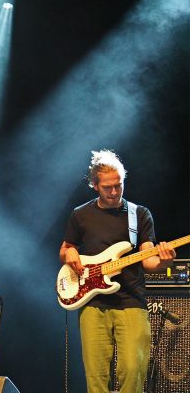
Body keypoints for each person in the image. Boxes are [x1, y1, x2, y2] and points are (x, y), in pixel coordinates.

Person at [59, 149, 176, 393]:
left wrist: (164, 261)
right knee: (96, 376)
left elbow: (149, 261)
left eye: (119, 186)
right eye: (107, 187)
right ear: (94, 185)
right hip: (92, 304)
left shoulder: (139, 215)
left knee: (134, 369)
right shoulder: (80, 215)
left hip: (131, 301)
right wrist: (69, 253)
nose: (114, 192)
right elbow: (66, 249)